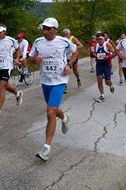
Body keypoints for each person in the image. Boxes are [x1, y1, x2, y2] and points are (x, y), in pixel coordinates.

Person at [28, 18, 77, 161]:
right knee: (53, 109)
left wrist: (69, 65)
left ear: (56, 29)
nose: (45, 31)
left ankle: (46, 149)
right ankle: (65, 117)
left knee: (50, 112)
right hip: (45, 80)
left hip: (60, 80)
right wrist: (35, 60)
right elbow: (30, 58)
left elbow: (75, 52)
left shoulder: (64, 41)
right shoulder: (38, 42)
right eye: (44, 28)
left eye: (48, 28)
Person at [93, 33, 116, 102]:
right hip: (99, 65)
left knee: (107, 81)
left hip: (107, 65)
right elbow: (93, 52)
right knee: (99, 79)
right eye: (98, 39)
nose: (99, 40)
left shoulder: (107, 44)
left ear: (103, 39)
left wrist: (108, 57)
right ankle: (102, 95)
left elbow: (115, 53)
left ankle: (111, 85)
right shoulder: (96, 45)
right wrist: (95, 55)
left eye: (100, 39)